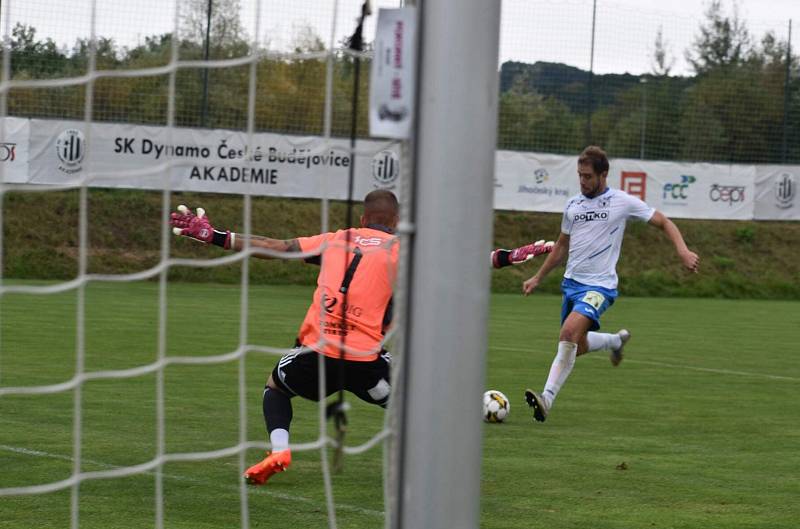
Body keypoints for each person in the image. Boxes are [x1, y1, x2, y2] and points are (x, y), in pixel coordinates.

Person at [170, 189, 553, 485]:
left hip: (316, 352)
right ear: (397, 220)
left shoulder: (336, 239)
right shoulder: (401, 249)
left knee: (276, 387)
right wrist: (507, 256)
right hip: (365, 362)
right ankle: (441, 464)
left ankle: (281, 450)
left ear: (363, 217)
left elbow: (274, 247)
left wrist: (216, 235)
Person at [521, 146, 699, 423]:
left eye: (588, 176)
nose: (582, 181)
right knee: (576, 346)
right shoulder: (572, 206)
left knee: (567, 334)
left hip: (600, 287)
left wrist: (683, 251)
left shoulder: (622, 201)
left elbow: (663, 221)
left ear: (603, 175)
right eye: (580, 176)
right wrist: (538, 277)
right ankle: (614, 341)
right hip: (572, 285)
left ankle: (546, 399)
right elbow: (561, 246)